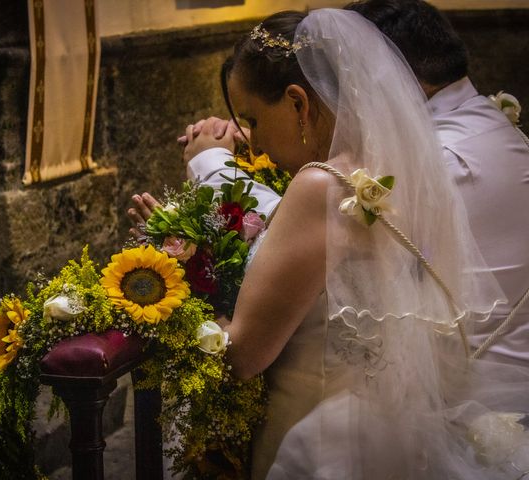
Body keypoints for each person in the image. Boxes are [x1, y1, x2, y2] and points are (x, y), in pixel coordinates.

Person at [178, 8, 528, 479]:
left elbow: (242, 356)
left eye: (255, 121)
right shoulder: (393, 175)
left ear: (299, 104)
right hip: (392, 430)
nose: (254, 143)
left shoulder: (326, 186)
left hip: (316, 431)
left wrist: (191, 298)